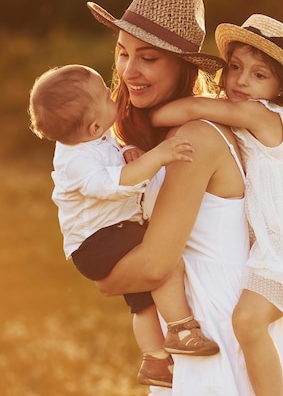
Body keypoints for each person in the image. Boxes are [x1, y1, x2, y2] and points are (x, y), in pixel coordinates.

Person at [86, 0, 283, 395]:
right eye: (122, 52)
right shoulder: (164, 138)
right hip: (192, 330)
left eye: (147, 58)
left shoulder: (198, 138)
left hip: (219, 328)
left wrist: (106, 276)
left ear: (183, 65)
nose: (129, 70)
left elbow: (153, 265)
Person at [151, 13, 283, 396]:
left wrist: (151, 114)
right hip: (272, 245)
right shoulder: (249, 117)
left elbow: (184, 111)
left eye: (259, 75)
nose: (240, 80)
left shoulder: (261, 114)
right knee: (249, 324)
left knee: (248, 323)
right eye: (235, 67)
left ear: (280, 90)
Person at [27, 64, 220, 390]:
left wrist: (127, 149)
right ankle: (181, 328)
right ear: (94, 124)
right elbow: (111, 184)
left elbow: (109, 151)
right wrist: (157, 157)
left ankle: (155, 360)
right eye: (105, 93)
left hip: (105, 237)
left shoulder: (91, 138)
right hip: (97, 242)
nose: (112, 92)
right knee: (163, 256)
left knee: (143, 302)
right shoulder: (75, 162)